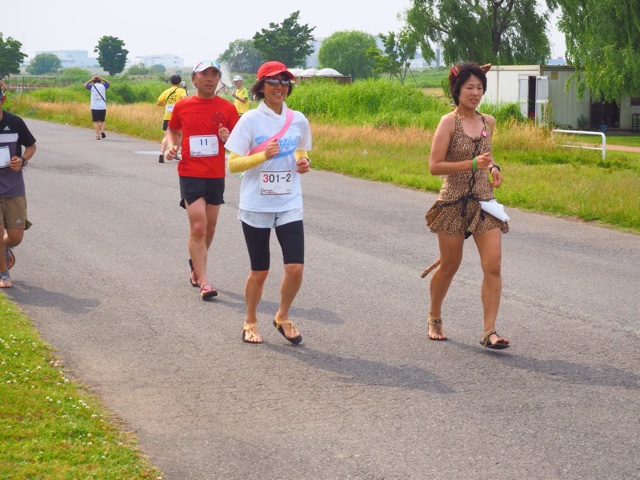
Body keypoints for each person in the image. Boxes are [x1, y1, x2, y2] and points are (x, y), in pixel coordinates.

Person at [422, 62, 510, 349]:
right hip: (453, 202)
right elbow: (435, 166)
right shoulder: (449, 122)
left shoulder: (489, 122)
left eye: (480, 87)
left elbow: (487, 153)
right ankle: (434, 314)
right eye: (469, 87)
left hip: (484, 202)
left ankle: (489, 331)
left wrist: (493, 167)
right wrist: (471, 164)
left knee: (493, 265)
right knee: (450, 265)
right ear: (457, 90)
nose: (475, 93)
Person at [226, 61, 312, 345]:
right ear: (261, 87)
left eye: (285, 81)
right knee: (260, 271)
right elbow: (233, 165)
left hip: (289, 202)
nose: (280, 87)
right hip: (256, 206)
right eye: (273, 82)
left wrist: (303, 160)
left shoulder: (298, 119)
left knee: (295, 268)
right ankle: (250, 320)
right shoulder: (250, 120)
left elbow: (301, 147)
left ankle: (282, 316)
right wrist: (263, 156)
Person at [164, 61, 240, 300]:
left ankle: (196, 265)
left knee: (210, 227)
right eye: (204, 74)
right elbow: (172, 130)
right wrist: (172, 145)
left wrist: (228, 138)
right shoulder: (182, 106)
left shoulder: (227, 108)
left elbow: (238, 142)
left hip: (215, 174)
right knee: (198, 226)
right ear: (194, 79)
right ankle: (205, 281)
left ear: (218, 80)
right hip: (190, 172)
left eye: (214, 74)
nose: (209, 78)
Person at [0, 85, 37, 288]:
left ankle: (5, 249)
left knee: (15, 236)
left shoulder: (15, 123)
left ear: (3, 100)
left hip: (13, 189)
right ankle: (3, 273)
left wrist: (21, 160)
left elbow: (31, 146)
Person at [156, 74, 188, 163]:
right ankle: (175, 153)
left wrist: (167, 104)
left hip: (167, 116)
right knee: (179, 135)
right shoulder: (181, 90)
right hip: (178, 117)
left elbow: (158, 102)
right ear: (180, 82)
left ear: (171, 82)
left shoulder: (166, 91)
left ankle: (161, 153)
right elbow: (184, 99)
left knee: (166, 136)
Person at [84, 75, 109, 140]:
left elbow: (85, 85)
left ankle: (98, 136)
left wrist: (91, 80)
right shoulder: (103, 86)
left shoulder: (92, 87)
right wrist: (102, 78)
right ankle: (102, 131)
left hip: (94, 107)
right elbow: (108, 83)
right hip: (102, 107)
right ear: (100, 81)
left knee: (96, 122)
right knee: (102, 121)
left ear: (93, 81)